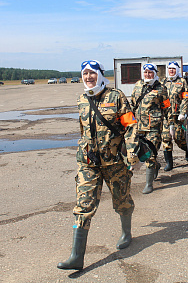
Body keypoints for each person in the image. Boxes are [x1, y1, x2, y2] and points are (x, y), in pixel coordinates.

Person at [57, 60, 138, 270]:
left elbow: (130, 125)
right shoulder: (82, 99)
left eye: (92, 73)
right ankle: (76, 256)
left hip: (114, 163)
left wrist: (131, 153)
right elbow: (83, 129)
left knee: (122, 200)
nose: (88, 77)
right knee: (83, 205)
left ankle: (126, 233)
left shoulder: (116, 96)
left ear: (100, 75)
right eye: (84, 74)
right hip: (88, 163)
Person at [131, 63, 170, 194]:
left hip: (153, 127)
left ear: (155, 73)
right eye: (146, 72)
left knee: (150, 154)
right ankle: (155, 166)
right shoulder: (138, 85)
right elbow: (132, 103)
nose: (148, 75)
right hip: (139, 126)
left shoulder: (161, 89)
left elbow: (166, 107)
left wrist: (166, 124)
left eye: (150, 72)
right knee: (138, 152)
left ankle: (148, 184)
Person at [161, 61, 188, 171]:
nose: (171, 71)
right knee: (166, 138)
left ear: (177, 70)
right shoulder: (164, 82)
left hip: (177, 116)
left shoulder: (182, 82)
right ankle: (169, 163)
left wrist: (183, 112)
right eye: (170, 69)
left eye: (173, 69)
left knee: (178, 138)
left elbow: (185, 98)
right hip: (166, 116)